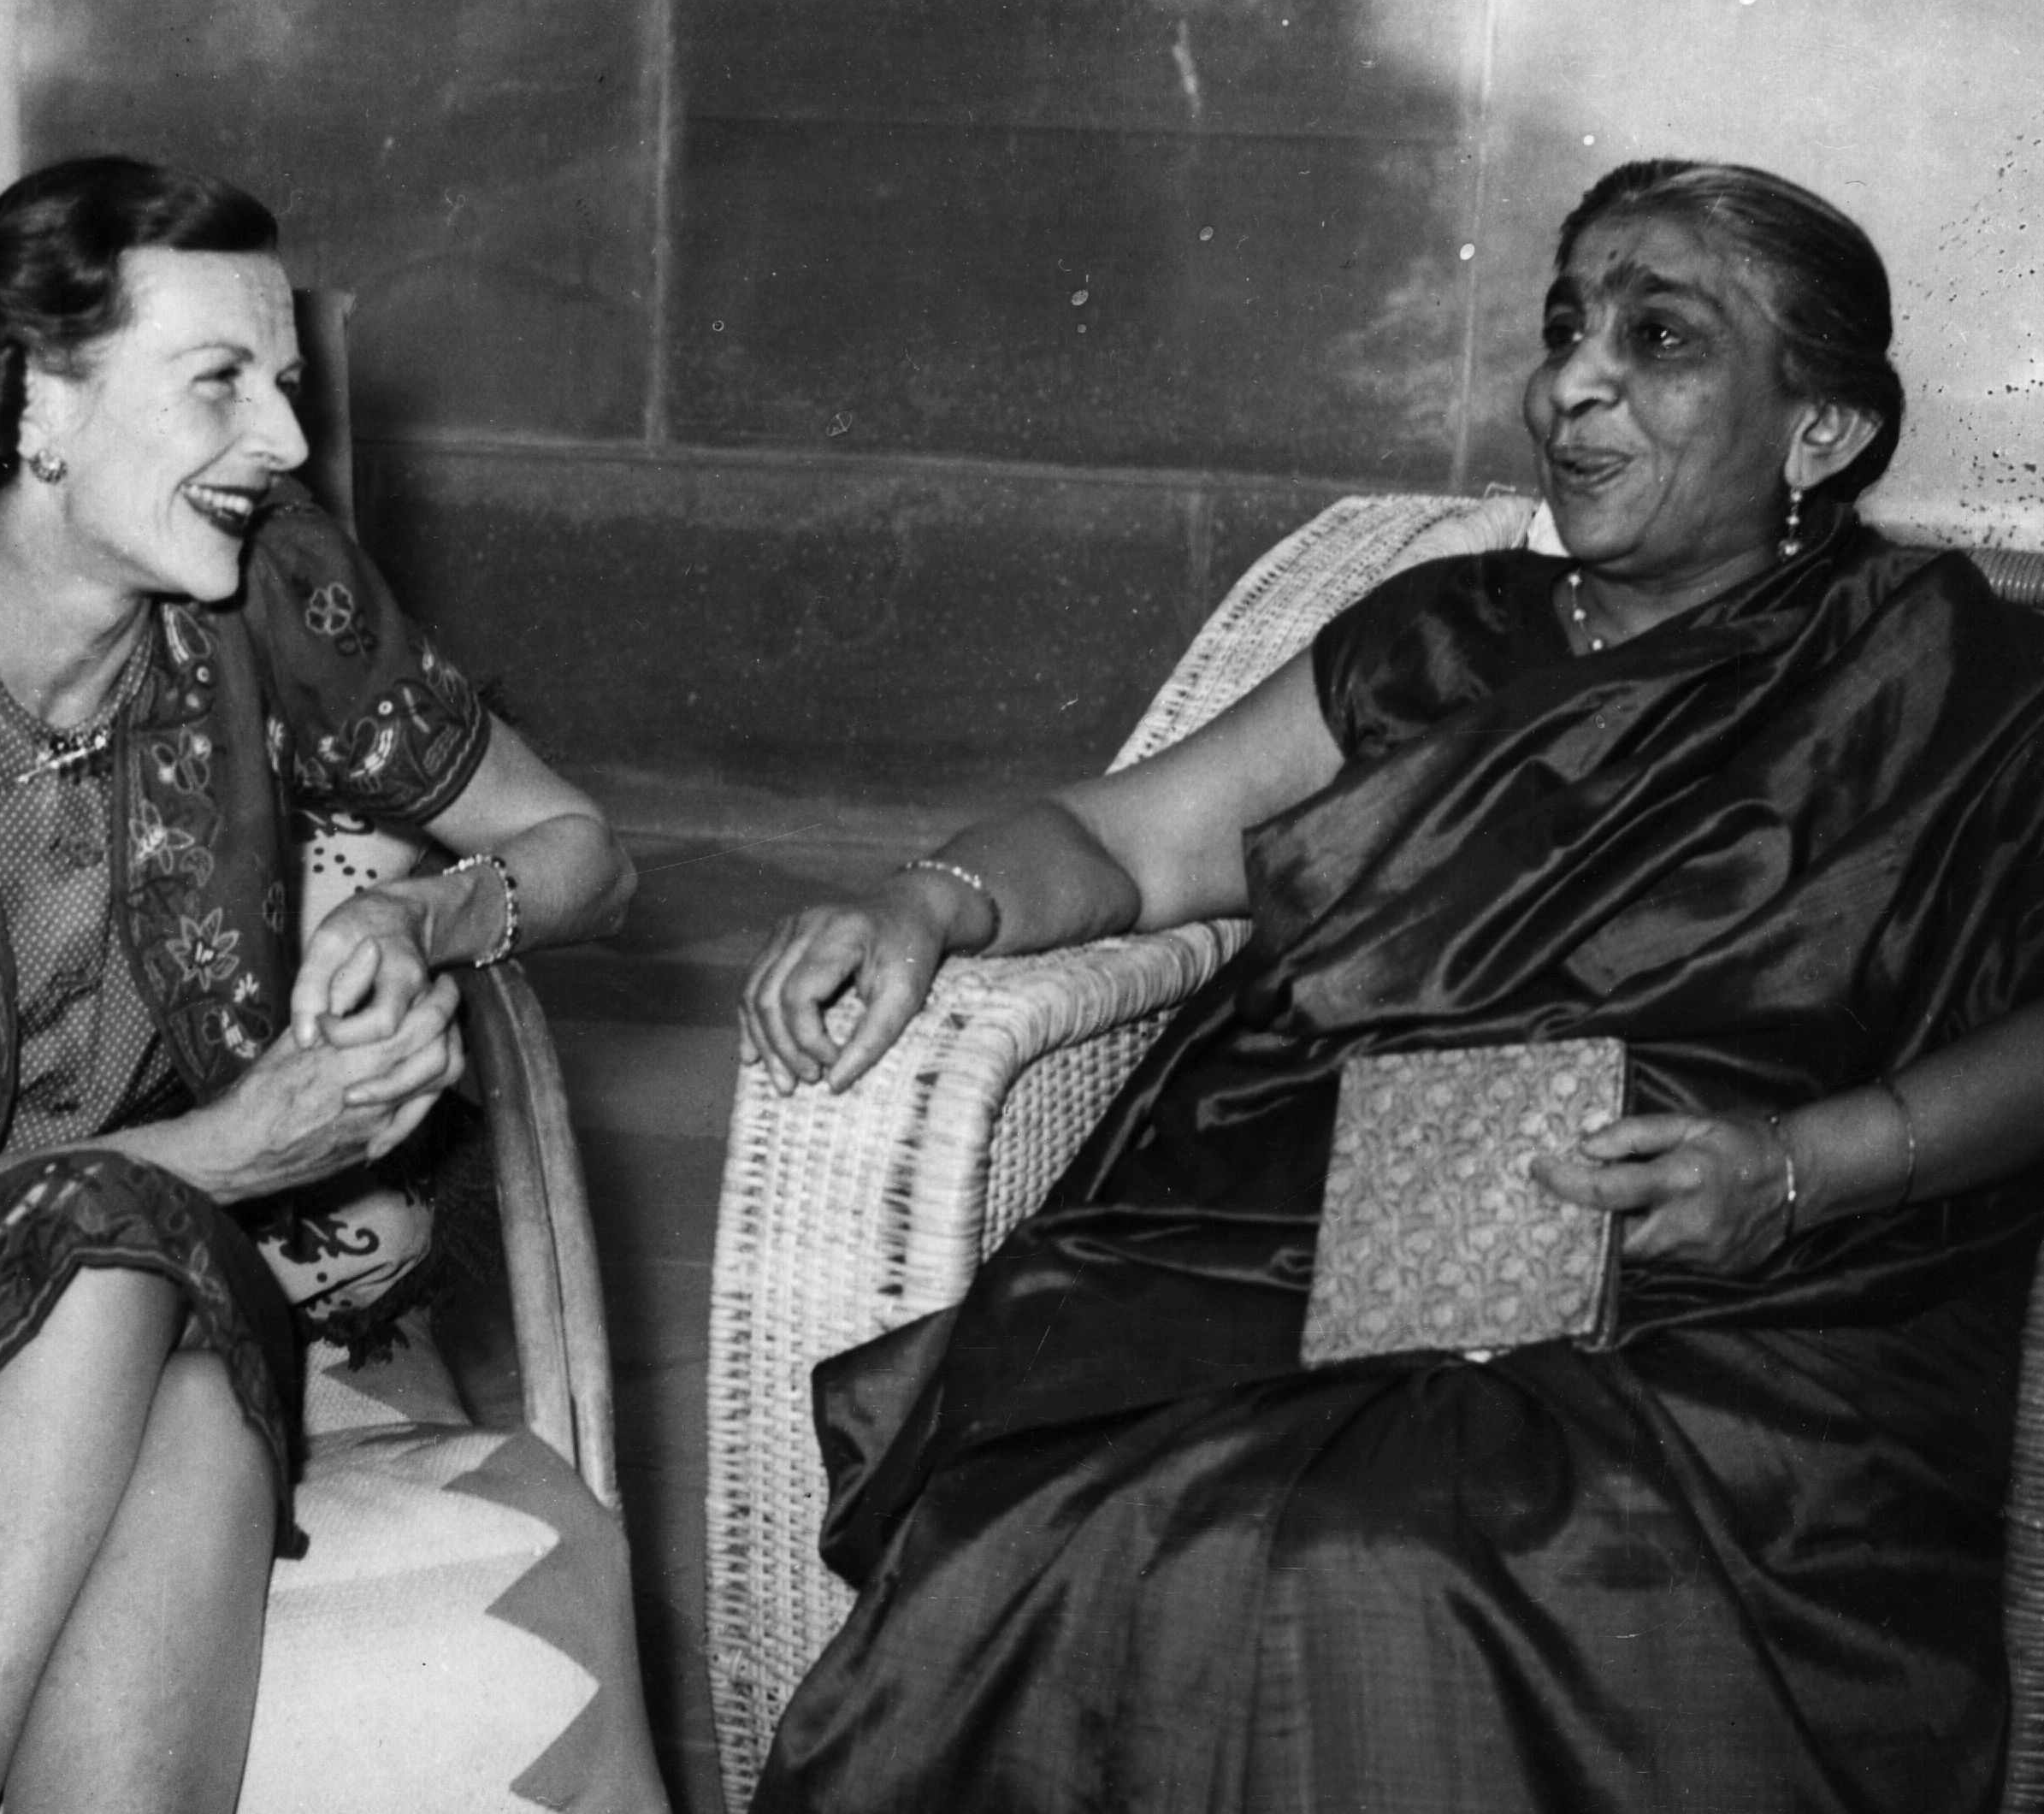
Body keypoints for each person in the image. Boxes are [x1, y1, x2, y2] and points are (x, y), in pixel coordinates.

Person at [738, 158, 2044, 1810]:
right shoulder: (1435, 634)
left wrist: (1792, 1172)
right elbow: (1125, 844)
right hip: (1307, 1246)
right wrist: (929, 900)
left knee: (1385, 1558)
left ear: (1822, 432)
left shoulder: (1949, 675)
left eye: (1660, 340)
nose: (1572, 380)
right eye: (1568, 326)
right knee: (1087, 1519)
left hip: (1744, 1297)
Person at [0, 157, 635, 1814]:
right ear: (36, 406)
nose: (289, 443)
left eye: (285, 385)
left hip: (160, 1302)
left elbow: (585, 851)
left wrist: (427, 921)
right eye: (220, 383)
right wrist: (236, 1155)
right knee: (127, 1248)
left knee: (183, 1337)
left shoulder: (271, 598)